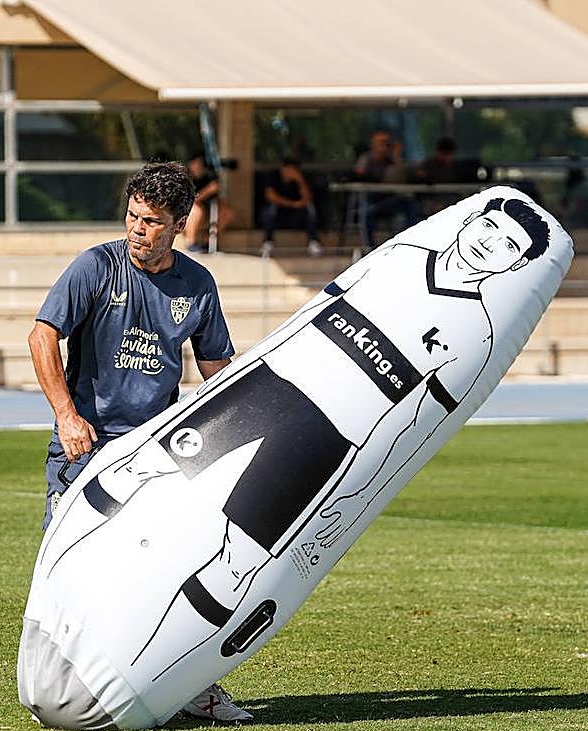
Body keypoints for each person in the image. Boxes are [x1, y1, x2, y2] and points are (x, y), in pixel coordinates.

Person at [46, 194, 551, 689]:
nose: (490, 243)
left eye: (508, 246)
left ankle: (170, 680)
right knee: (137, 478)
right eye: (490, 228)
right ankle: (59, 635)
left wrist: (357, 489)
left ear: (515, 266)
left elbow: (416, 420)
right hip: (267, 385)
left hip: (327, 437)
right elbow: (308, 324)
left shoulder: (477, 333)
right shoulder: (398, 260)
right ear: (469, 224)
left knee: (234, 561)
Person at [27, 161, 250, 724]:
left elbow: (217, 368)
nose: (136, 230)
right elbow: (42, 336)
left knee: (183, 567)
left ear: (178, 224)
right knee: (73, 570)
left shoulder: (197, 284)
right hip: (87, 447)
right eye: (131, 217)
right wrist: (66, 416)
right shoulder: (95, 268)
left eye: (150, 222)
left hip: (159, 454)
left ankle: (197, 687)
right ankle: (60, 689)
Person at [353, 130, 419, 247]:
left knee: (410, 206)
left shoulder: (392, 160)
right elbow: (358, 174)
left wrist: (396, 157)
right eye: (381, 143)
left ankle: (410, 244)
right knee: (367, 213)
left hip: (390, 198)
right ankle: (369, 247)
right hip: (373, 198)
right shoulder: (366, 158)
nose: (384, 146)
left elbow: (402, 177)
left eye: (387, 143)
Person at [261, 157, 323, 257]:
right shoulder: (274, 176)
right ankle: (268, 241)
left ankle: (314, 242)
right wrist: (291, 204)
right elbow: (270, 196)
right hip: (279, 213)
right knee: (270, 208)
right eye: (288, 169)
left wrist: (300, 180)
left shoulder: (301, 178)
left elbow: (308, 199)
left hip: (297, 215)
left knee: (310, 208)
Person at [183, 152, 233, 252]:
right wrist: (208, 190)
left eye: (201, 164)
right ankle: (190, 243)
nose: (199, 167)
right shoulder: (186, 179)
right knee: (197, 210)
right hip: (190, 210)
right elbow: (192, 200)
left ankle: (208, 240)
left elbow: (215, 196)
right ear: (191, 164)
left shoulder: (208, 177)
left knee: (227, 212)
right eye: (197, 164)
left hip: (208, 207)